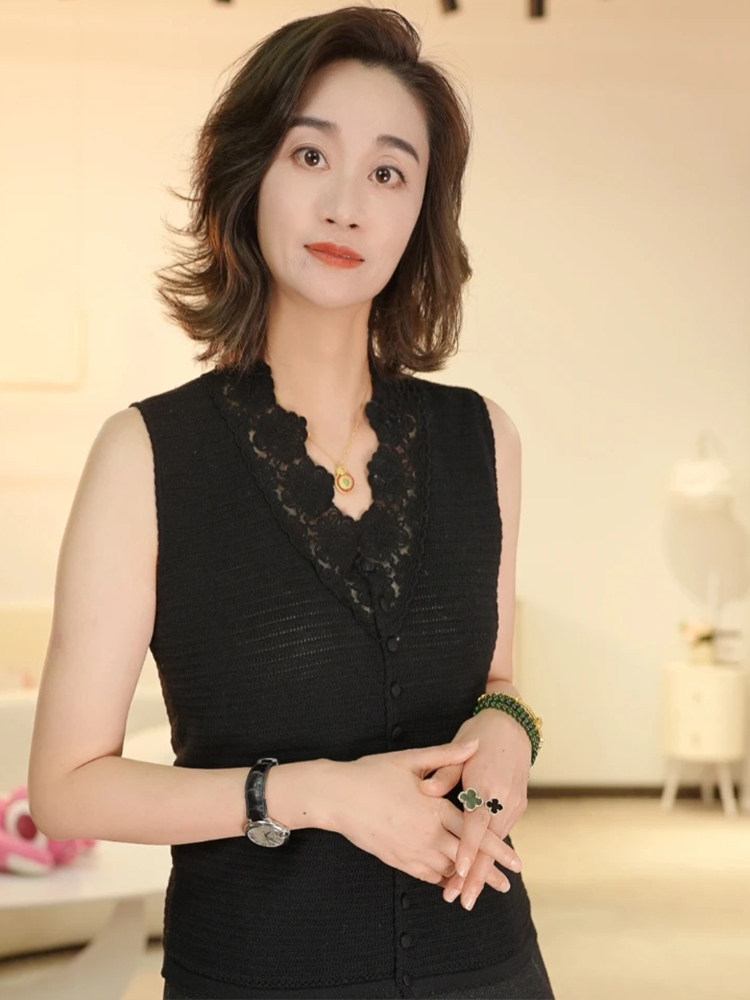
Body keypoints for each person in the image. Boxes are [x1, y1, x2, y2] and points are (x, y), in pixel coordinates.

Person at [28, 7, 554, 999]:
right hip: (257, 975)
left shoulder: (485, 440)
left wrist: (510, 730)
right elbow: (66, 787)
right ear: (249, 176)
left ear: (420, 215)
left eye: (389, 173)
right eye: (311, 156)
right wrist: (316, 795)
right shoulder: (146, 457)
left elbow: (496, 679)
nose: (346, 205)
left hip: (489, 967)